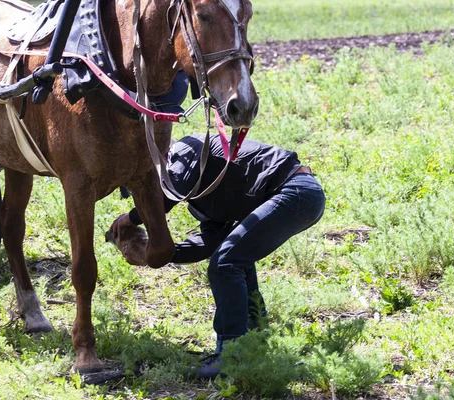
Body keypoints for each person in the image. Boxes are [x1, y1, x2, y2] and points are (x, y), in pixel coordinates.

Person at [108, 133, 326, 379]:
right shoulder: (201, 198)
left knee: (226, 264)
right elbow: (211, 242)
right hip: (295, 196)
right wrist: (151, 253)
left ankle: (230, 356)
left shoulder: (185, 149)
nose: (146, 191)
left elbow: (165, 197)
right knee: (234, 260)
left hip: (296, 191)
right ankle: (255, 343)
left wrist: (133, 217)